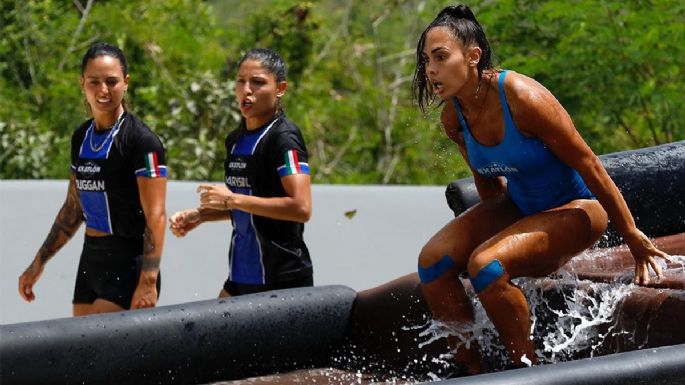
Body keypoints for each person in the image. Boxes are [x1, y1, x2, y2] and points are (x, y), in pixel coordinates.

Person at [412, 4, 671, 374]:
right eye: (426, 60)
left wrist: (632, 236)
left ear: (473, 57)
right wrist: (509, 240)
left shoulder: (522, 98)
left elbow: (589, 163)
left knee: (486, 266)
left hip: (576, 210)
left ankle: (527, 372)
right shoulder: (453, 117)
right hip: (521, 205)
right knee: (433, 262)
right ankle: (470, 372)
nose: (430, 70)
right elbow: (487, 181)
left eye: (440, 57)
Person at [18, 42, 168, 316]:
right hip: (91, 259)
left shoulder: (142, 142)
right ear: (82, 83)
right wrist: (39, 262)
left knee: (103, 353)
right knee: (81, 353)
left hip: (127, 261)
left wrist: (148, 280)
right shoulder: (81, 136)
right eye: (94, 82)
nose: (103, 91)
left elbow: (156, 216)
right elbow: (73, 208)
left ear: (126, 82)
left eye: (111, 82)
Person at [169, 48, 313, 297]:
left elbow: (301, 208)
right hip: (240, 276)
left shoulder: (283, 139)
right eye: (240, 81)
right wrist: (202, 215)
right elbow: (252, 205)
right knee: (208, 336)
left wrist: (231, 199)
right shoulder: (235, 140)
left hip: (281, 281)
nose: (246, 90)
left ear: (280, 89)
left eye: (257, 83)